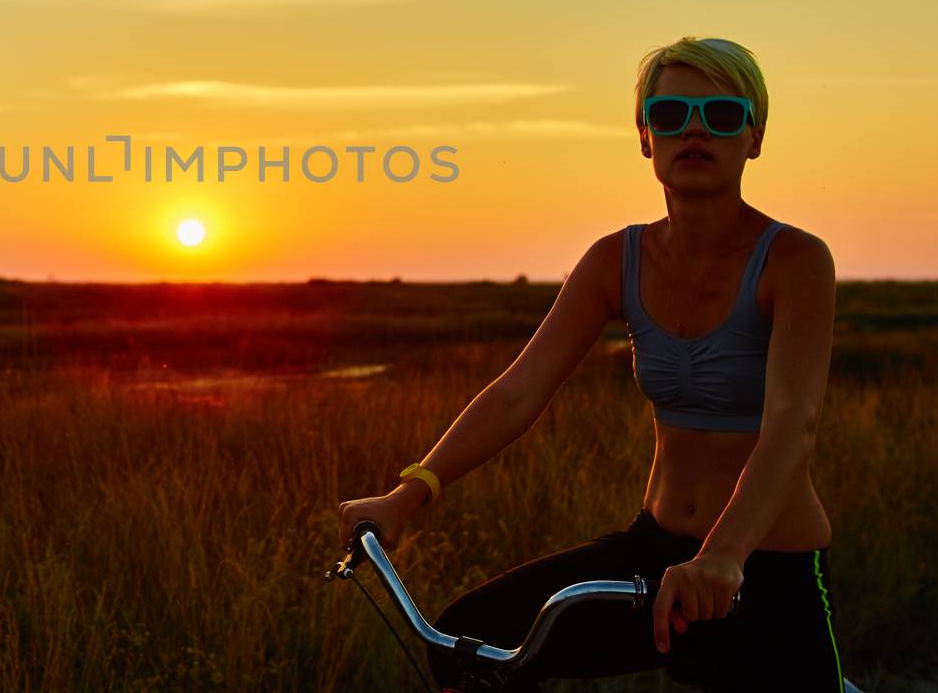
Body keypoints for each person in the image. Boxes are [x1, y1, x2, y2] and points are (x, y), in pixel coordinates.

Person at [337, 37, 845, 692]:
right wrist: (408, 494)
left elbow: (792, 422)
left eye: (721, 114)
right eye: (670, 114)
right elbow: (519, 391)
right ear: (644, 136)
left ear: (754, 136)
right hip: (655, 553)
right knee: (473, 644)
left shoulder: (795, 260)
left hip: (763, 568)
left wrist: (722, 557)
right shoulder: (616, 259)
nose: (694, 129)